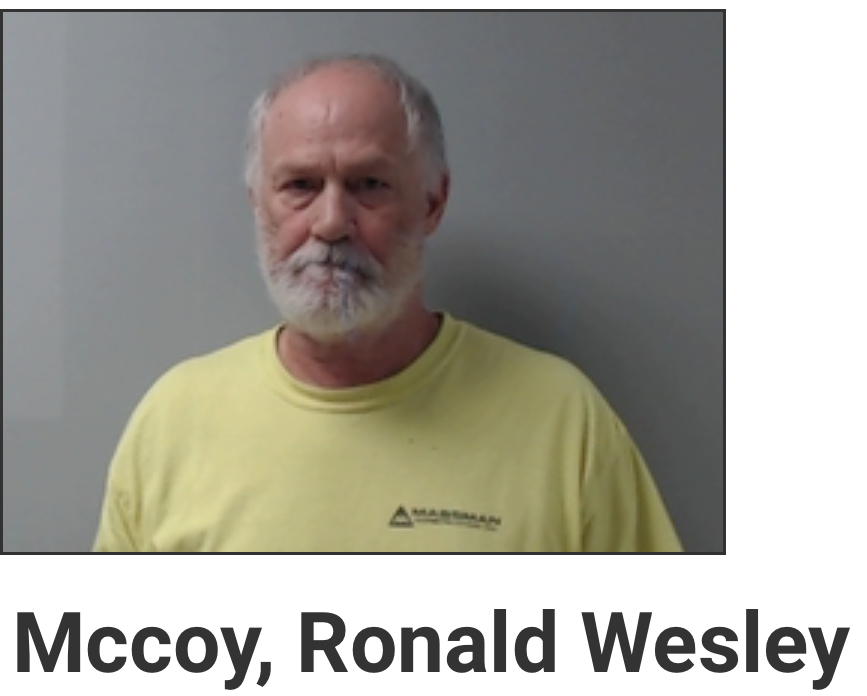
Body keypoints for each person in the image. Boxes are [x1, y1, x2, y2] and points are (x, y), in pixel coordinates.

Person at [93, 53, 682, 552]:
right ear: (257, 202)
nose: (330, 223)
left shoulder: (564, 421)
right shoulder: (172, 422)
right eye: (300, 186)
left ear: (432, 202)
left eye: (369, 184)